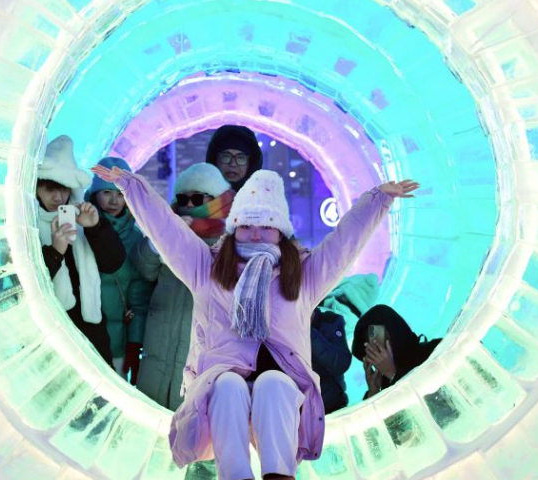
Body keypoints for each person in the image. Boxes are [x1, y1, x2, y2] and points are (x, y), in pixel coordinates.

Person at [91, 162, 418, 480]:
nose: (255, 234)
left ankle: (279, 476)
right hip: (221, 386)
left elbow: (343, 244)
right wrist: (131, 187)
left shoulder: (302, 277)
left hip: (281, 389)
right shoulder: (207, 269)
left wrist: (379, 198)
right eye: (246, 225)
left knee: (273, 383)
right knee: (229, 385)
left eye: (265, 225)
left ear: (280, 232)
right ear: (234, 229)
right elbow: (168, 232)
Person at [132, 163, 235, 411]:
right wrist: (165, 234)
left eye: (198, 198)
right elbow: (144, 268)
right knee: (151, 420)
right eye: (183, 198)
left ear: (216, 200)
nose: (189, 205)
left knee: (194, 428)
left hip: (199, 350)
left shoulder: (231, 239)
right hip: (159, 344)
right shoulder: (167, 227)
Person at [37, 135, 126, 366]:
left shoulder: (82, 218)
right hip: (52, 335)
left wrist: (95, 227)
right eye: (50, 189)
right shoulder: (28, 225)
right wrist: (56, 251)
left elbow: (112, 262)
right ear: (36, 188)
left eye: (64, 189)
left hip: (91, 331)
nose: (58, 197)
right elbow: (26, 286)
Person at [86, 156, 153, 382]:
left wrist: (134, 342)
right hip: (81, 335)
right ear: (94, 193)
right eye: (107, 192)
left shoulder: (135, 238)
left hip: (118, 343)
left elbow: (139, 297)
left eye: (120, 194)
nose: (114, 200)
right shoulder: (80, 230)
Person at [352, 304, 441, 400]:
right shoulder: (384, 383)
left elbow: (442, 401)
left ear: (395, 332)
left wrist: (393, 374)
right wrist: (373, 392)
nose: (378, 352)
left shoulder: (435, 350)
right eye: (371, 348)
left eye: (380, 341)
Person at [310, 308, 351, 414]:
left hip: (334, 407)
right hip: (302, 415)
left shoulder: (330, 321)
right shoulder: (281, 330)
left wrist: (307, 331)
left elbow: (341, 363)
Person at [205, 125, 263, 192]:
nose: (233, 164)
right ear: (215, 159)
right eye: (226, 156)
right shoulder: (197, 199)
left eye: (240, 158)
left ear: (250, 163)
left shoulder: (263, 200)